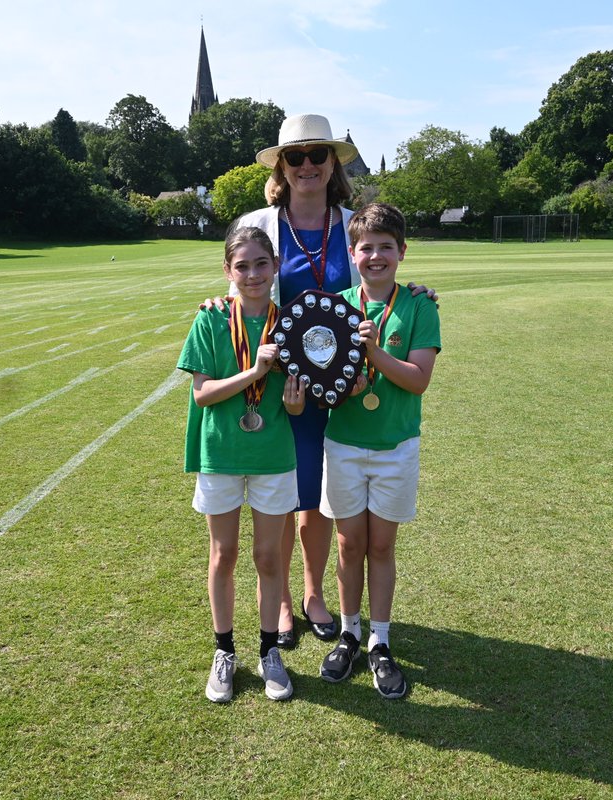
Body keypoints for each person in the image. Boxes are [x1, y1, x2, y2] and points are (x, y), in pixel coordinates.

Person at [216, 113, 436, 649]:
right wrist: (215, 301)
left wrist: (417, 291)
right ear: (281, 167)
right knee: (283, 490)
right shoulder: (259, 223)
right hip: (280, 384)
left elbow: (379, 277)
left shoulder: (354, 223)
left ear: (334, 162)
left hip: (345, 388)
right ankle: (281, 602)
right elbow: (239, 283)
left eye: (318, 155)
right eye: (296, 156)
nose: (307, 165)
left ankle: (314, 594)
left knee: (317, 495)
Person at [178, 226, 308, 703]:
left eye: (260, 263)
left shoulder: (291, 325)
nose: (252, 274)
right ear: (227, 272)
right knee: (224, 554)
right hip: (222, 454)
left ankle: (269, 651)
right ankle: (225, 651)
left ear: (275, 267)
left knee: (269, 557)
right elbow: (202, 393)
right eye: (242, 266)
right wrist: (255, 371)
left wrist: (293, 402)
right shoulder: (211, 319)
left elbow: (296, 407)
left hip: (274, 455)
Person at [317, 203, 440, 700]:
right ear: (352, 254)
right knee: (349, 545)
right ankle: (349, 633)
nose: (375, 256)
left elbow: (418, 380)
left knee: (382, 547)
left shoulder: (420, 306)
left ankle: (380, 641)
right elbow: (325, 383)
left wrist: (373, 353)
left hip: (395, 448)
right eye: (366, 248)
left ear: (402, 252)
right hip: (344, 446)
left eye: (386, 247)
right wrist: (343, 386)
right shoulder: (335, 307)